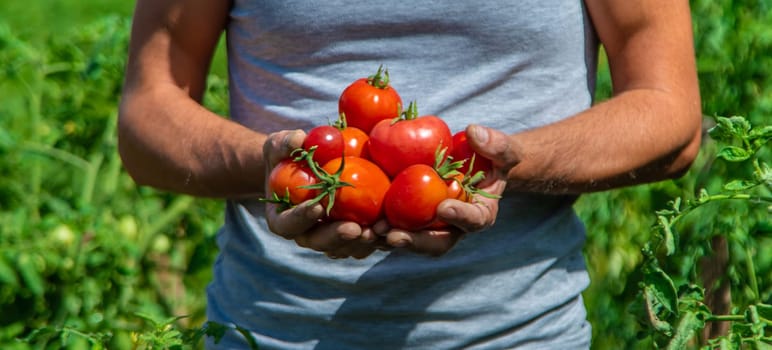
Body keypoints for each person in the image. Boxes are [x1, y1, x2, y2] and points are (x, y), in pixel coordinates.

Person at [118, 0, 702, 349]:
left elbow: (670, 112)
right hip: (268, 333)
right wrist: (278, 169)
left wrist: (508, 163)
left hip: (518, 336)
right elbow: (147, 114)